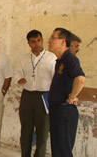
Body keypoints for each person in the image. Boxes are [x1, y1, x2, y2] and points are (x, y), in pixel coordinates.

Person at [13, 30, 56, 157]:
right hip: (27, 96)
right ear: (28, 43)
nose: (36, 44)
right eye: (33, 41)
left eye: (38, 40)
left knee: (42, 132)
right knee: (26, 130)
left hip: (44, 97)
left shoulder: (51, 58)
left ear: (42, 40)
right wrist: (19, 79)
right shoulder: (24, 58)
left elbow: (56, 79)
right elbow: (17, 73)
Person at [48, 28, 86, 157]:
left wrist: (72, 97)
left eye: (53, 38)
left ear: (63, 41)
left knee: (63, 151)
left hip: (64, 112)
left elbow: (80, 79)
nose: (49, 41)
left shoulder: (71, 59)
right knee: (57, 150)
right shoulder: (60, 61)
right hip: (56, 111)